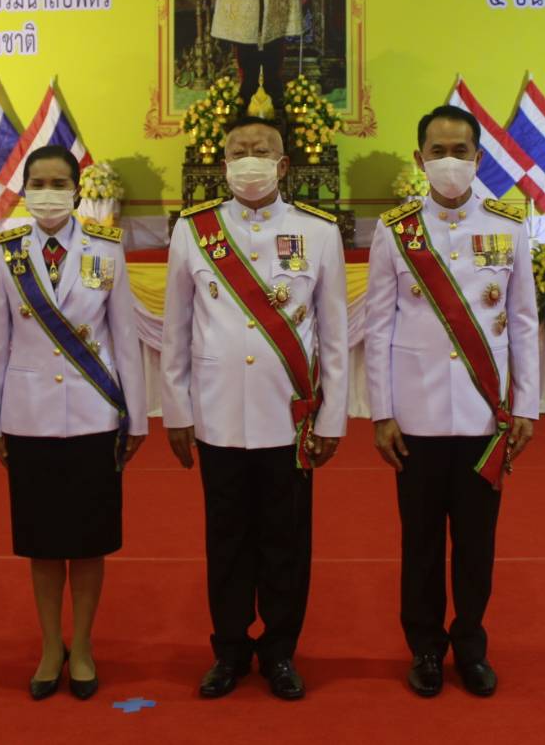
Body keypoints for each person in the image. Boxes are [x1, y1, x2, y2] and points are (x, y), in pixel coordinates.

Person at [161, 116, 348, 701]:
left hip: (287, 419)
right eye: (239, 151)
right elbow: (176, 330)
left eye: (261, 150)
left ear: (283, 164)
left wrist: (332, 417)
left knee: (285, 542)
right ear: (223, 164)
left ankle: (281, 652)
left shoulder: (318, 232)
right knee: (227, 541)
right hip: (217, 415)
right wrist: (177, 412)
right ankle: (230, 650)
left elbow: (335, 337)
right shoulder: (194, 230)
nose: (250, 160)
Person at [362, 104, 540, 699]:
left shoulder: (509, 226)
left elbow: (522, 324)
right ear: (419, 159)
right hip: (414, 417)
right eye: (437, 151)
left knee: (475, 544)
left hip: (483, 415)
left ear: (478, 158)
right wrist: (381, 412)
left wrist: (527, 407)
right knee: (419, 545)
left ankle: (470, 643)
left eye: (459, 151)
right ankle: (426, 650)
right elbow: (379, 324)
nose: (448, 162)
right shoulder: (395, 229)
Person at [0, 146, 147, 701]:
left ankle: (83, 645)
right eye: (38, 182)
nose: (48, 191)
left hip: (94, 414)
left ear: (77, 189)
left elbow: (126, 336)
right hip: (28, 418)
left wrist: (137, 416)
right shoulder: (6, 252)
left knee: (89, 541)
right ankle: (51, 645)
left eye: (58, 182)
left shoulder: (105, 249)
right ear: (24, 188)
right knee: (43, 543)